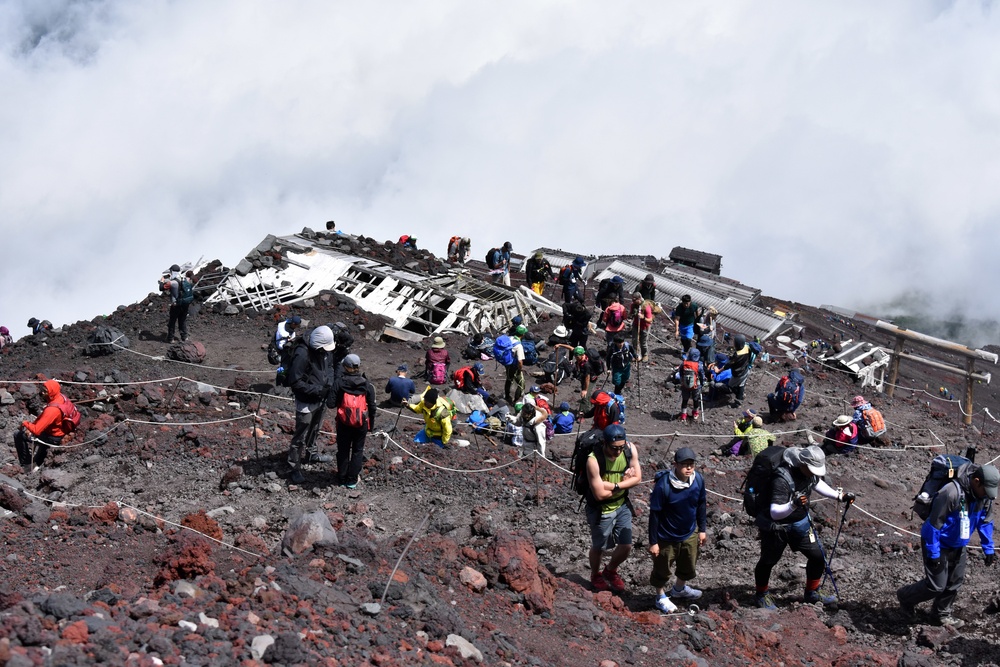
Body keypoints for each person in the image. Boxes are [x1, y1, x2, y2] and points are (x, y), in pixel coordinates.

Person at [753, 445, 856, 609]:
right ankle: (761, 594)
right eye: (813, 469)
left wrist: (839, 496)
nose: (815, 473)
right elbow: (774, 512)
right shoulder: (781, 479)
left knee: (817, 556)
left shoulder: (809, 474)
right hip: (777, 528)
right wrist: (793, 505)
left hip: (800, 525)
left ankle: (812, 592)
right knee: (768, 561)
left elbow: (816, 484)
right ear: (802, 464)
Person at [896, 463, 997, 628]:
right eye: (986, 490)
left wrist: (988, 547)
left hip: (959, 543)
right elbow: (933, 526)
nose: (988, 495)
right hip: (938, 543)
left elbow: (985, 521)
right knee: (936, 585)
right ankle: (905, 597)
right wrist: (933, 553)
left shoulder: (984, 497)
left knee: (954, 582)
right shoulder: (950, 492)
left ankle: (940, 614)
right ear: (976, 481)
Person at [648, 447, 707, 612]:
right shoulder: (663, 486)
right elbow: (655, 514)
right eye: (684, 464)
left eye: (691, 464)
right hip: (666, 536)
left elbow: (701, 504)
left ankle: (679, 589)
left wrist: (702, 529)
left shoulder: (698, 480)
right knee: (662, 569)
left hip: (689, 532)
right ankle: (660, 596)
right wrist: (653, 542)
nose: (689, 468)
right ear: (675, 465)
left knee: (688, 564)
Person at [586, 424, 642, 593]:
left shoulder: (630, 450)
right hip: (602, 509)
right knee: (599, 547)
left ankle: (610, 570)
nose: (618, 452)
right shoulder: (593, 460)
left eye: (621, 448)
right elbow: (599, 495)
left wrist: (614, 485)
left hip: (622, 504)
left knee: (626, 545)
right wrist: (625, 482)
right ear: (605, 443)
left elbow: (638, 478)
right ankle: (595, 574)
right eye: (614, 448)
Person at [286, 325, 337, 483]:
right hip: (307, 400)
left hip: (320, 397)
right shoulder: (303, 353)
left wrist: (329, 384)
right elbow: (295, 381)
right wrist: (317, 390)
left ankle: (311, 454)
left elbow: (329, 367)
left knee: (315, 428)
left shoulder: (324, 350)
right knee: (300, 434)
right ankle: (293, 467)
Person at [328, 354, 376, 489]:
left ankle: (342, 477)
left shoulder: (339, 382)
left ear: (345, 366)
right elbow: (372, 406)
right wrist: (370, 425)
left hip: (343, 422)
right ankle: (352, 480)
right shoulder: (367, 384)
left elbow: (330, 404)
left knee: (343, 450)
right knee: (357, 450)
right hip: (361, 423)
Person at [14, 379, 76, 472]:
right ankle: (37, 463)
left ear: (51, 392)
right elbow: (43, 417)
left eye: (45, 391)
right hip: (59, 430)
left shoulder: (52, 410)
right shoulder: (61, 397)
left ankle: (26, 464)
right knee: (40, 454)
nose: (42, 393)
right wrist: (33, 423)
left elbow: (36, 430)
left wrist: (25, 423)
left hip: (53, 437)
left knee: (18, 435)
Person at [165, 266, 196, 343]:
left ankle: (171, 338)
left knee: (172, 322)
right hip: (185, 304)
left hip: (176, 305)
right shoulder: (185, 280)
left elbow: (161, 287)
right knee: (182, 321)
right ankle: (184, 337)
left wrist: (162, 280)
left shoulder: (173, 282)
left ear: (172, 271)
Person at [723, 334, 753, 408]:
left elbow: (729, 364)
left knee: (730, 385)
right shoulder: (747, 347)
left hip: (738, 373)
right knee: (741, 385)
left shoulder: (737, 354)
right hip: (745, 369)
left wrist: (720, 369)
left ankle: (739, 397)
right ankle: (738, 401)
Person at [677, 348, 705, 423]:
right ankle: (695, 414)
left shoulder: (684, 363)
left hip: (685, 385)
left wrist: (682, 380)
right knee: (696, 399)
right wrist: (702, 384)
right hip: (696, 386)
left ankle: (683, 415)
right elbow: (702, 375)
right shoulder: (698, 365)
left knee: (685, 400)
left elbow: (680, 372)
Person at [629, 292, 654, 363]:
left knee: (643, 342)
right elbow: (631, 313)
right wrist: (630, 316)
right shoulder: (633, 305)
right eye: (632, 300)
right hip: (636, 325)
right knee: (635, 340)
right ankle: (636, 355)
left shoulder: (646, 307)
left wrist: (643, 317)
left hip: (645, 326)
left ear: (639, 299)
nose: (633, 302)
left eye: (634, 300)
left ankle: (645, 355)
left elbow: (650, 320)